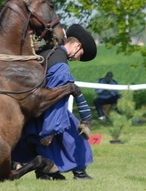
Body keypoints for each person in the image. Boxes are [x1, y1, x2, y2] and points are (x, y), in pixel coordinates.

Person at [13, 24, 97, 180]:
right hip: (48, 113)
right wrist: (50, 129)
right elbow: (56, 99)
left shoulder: (46, 53)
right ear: (77, 46)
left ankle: (45, 171)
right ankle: (80, 173)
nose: (78, 59)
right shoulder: (61, 67)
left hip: (32, 111)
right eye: (81, 54)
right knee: (75, 136)